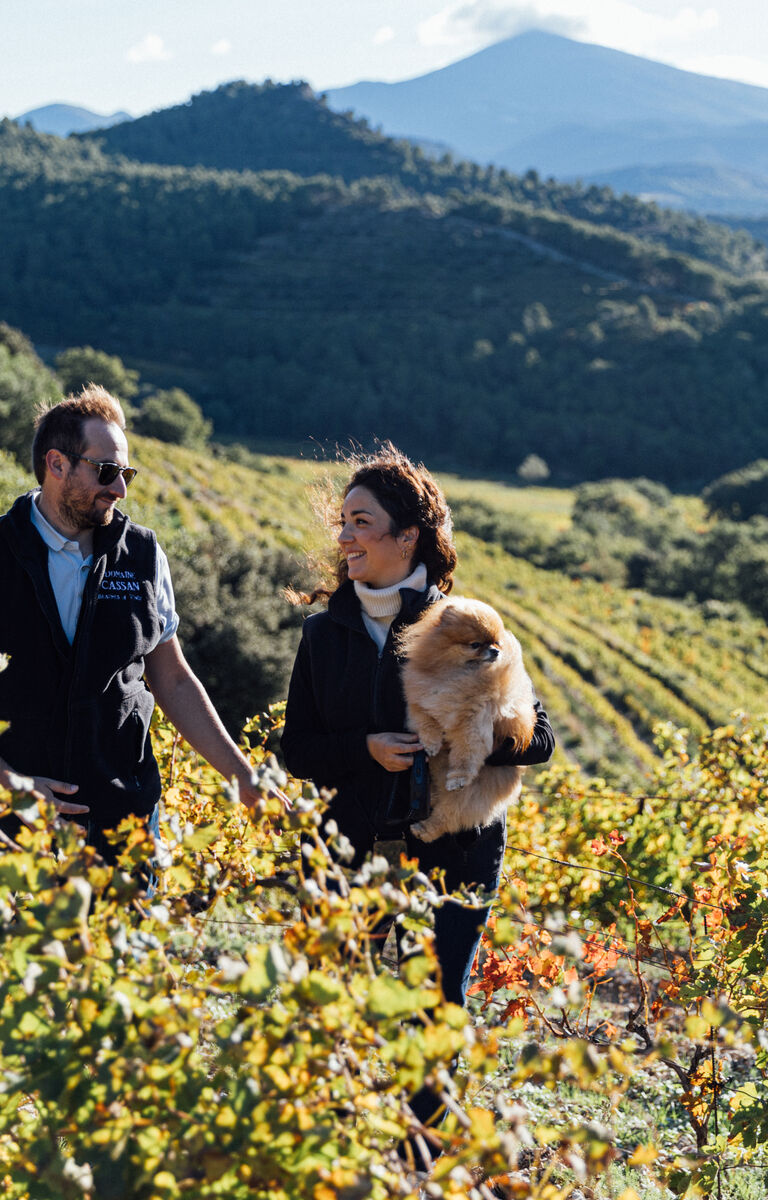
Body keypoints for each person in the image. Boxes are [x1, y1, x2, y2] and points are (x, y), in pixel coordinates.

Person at [280, 442, 554, 1142]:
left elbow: (540, 742)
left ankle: (423, 1160)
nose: (343, 537)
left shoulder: (465, 625)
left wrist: (473, 732)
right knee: (352, 1002)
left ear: (407, 537)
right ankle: (351, 1151)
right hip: (354, 850)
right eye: (342, 521)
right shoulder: (323, 635)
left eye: (361, 522)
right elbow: (297, 750)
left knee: (437, 1009)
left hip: (457, 852)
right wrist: (364, 751)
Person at [0, 384, 267, 857]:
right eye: (106, 472)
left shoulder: (142, 554)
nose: (119, 489)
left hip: (124, 826)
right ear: (56, 465)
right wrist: (8, 782)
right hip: (4, 830)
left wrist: (243, 776)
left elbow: (174, 681)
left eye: (126, 474)